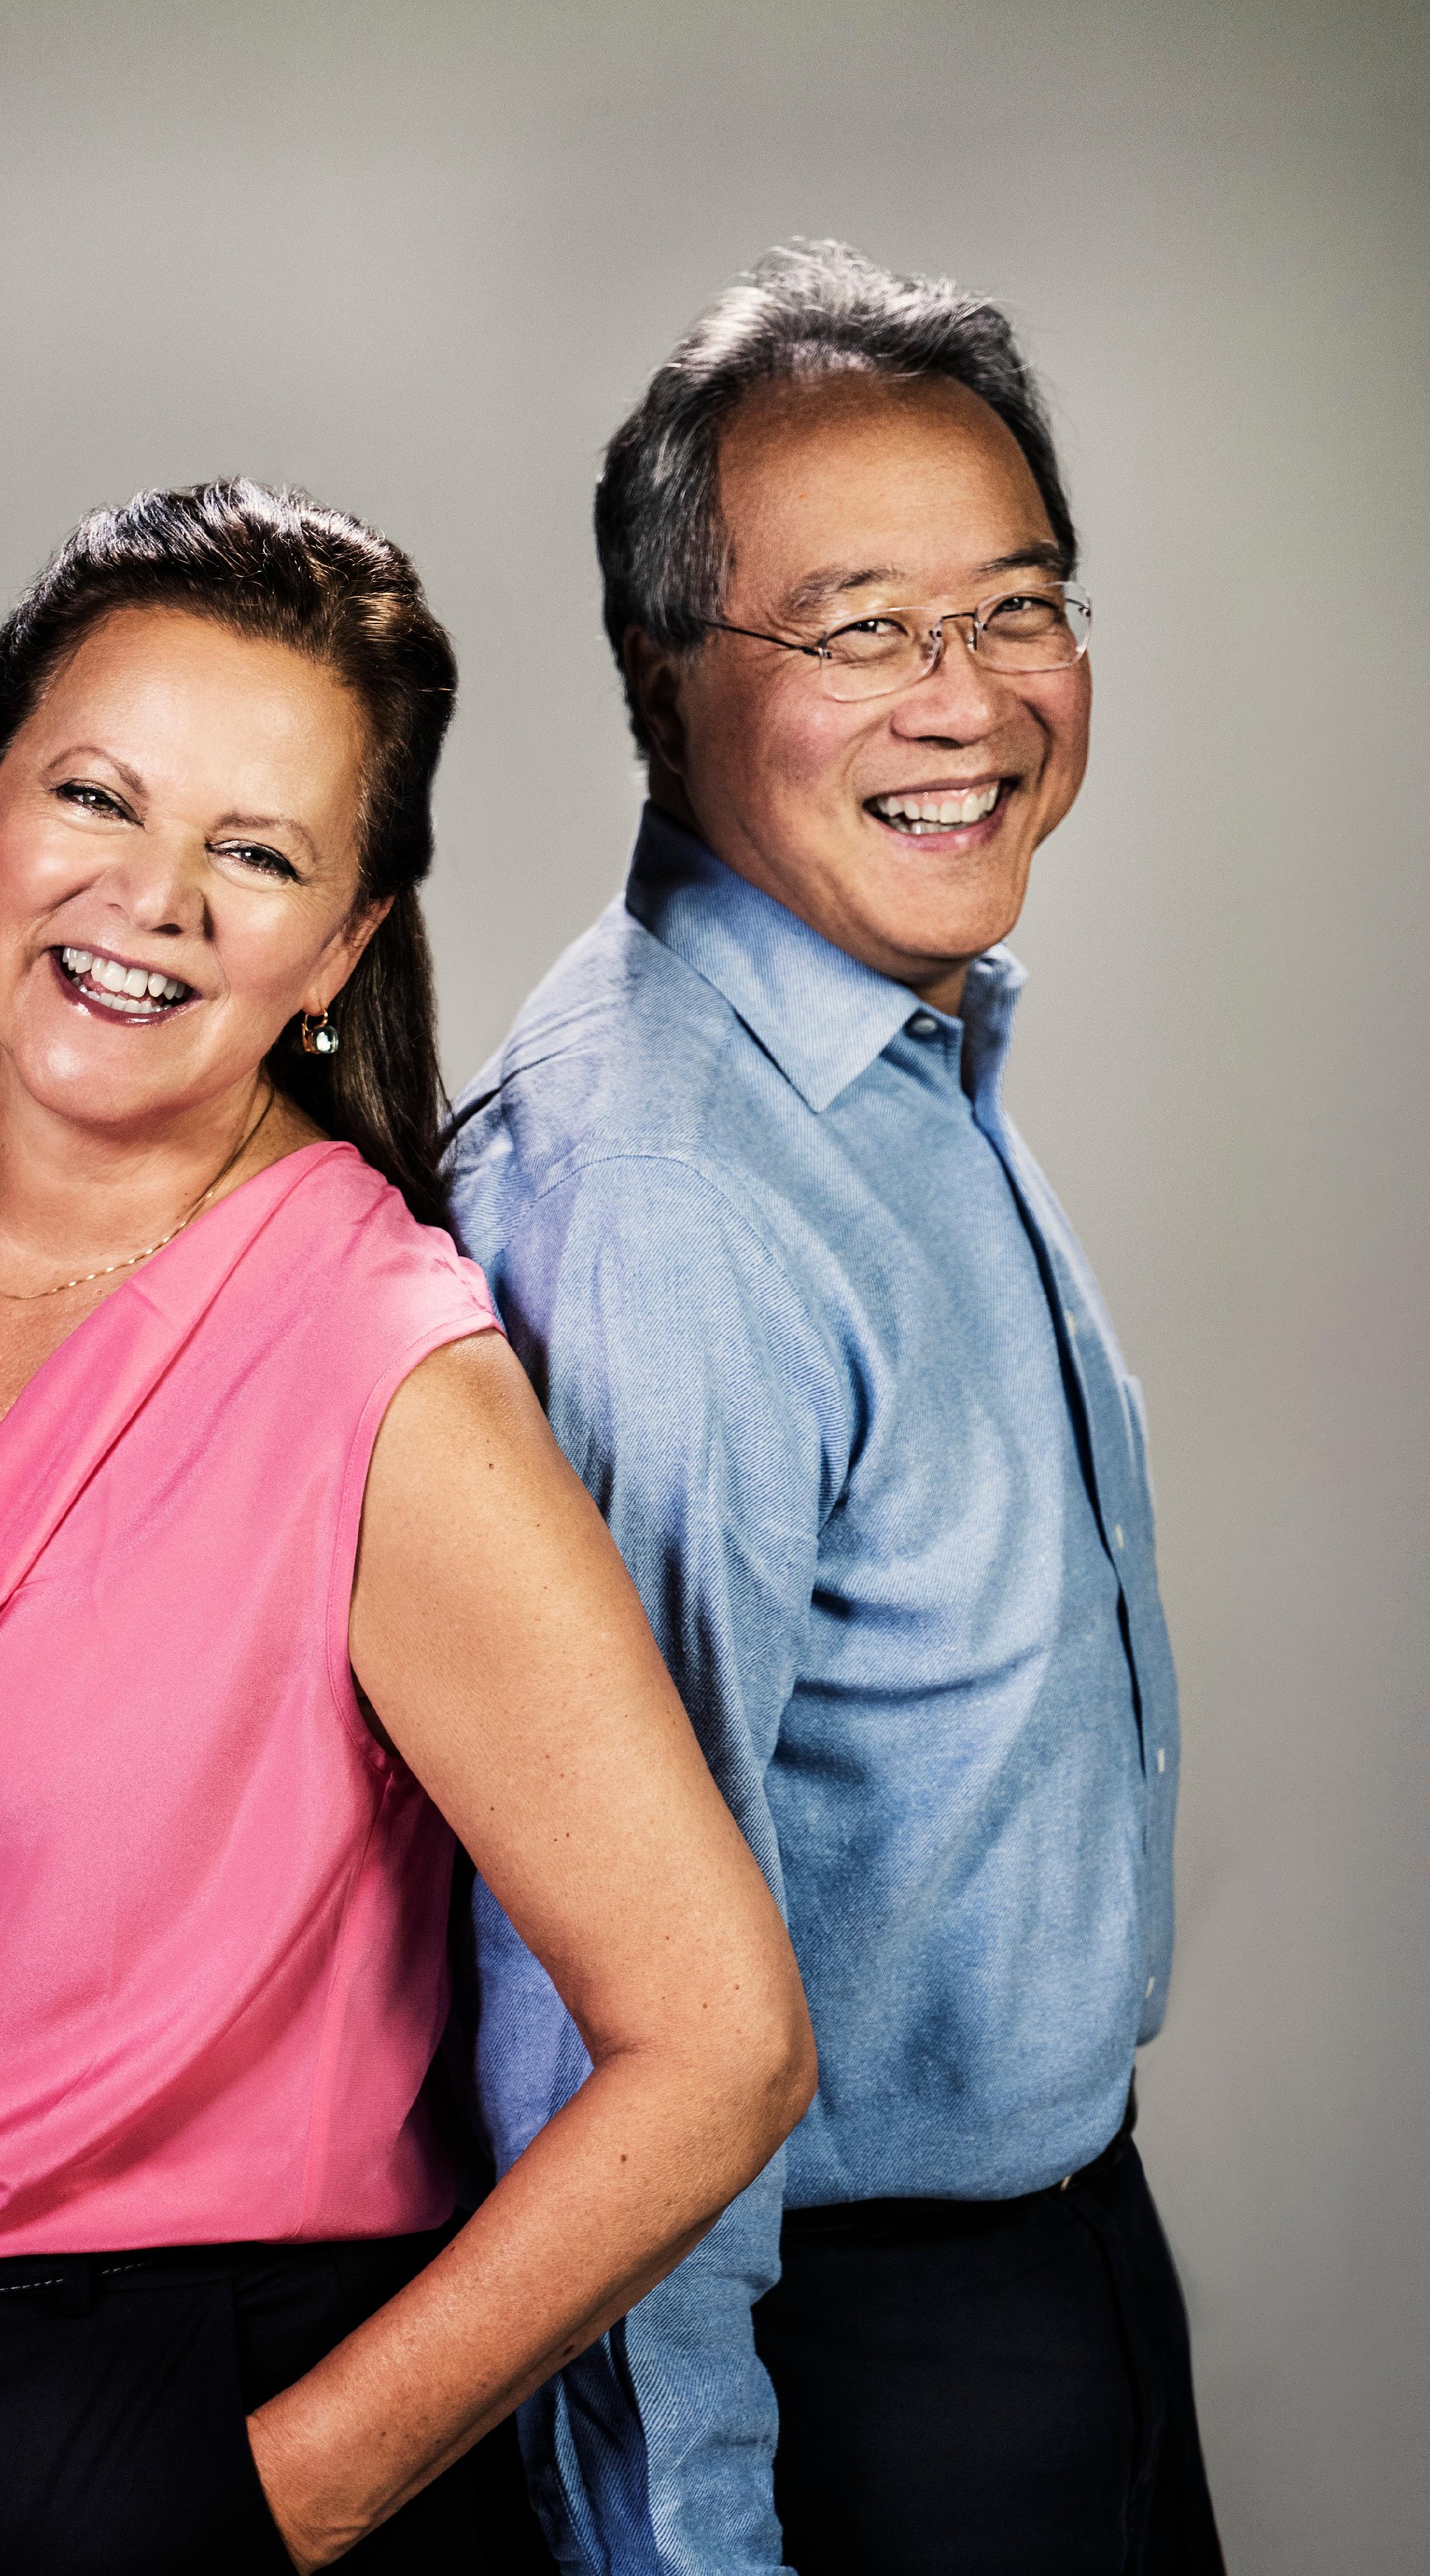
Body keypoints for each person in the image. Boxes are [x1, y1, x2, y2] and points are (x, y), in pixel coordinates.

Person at [0, 480, 817, 2575]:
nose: (148, 901)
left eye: (254, 854)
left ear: (341, 943)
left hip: (140, 2430)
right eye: (95, 798)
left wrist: (255, 2507)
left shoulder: (373, 1355)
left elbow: (720, 2047)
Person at [452, 245, 1225, 2573]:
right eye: (862, 628)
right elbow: (595, 2031)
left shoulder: (898, 1049)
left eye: (1016, 608)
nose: (968, 702)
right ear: (656, 676)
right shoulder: (657, 1200)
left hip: (1052, 2271)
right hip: (833, 2371)